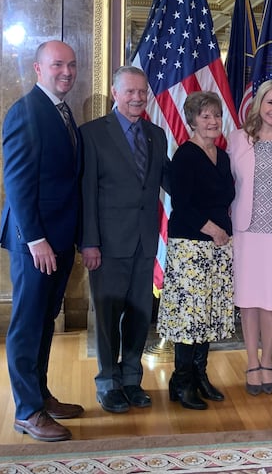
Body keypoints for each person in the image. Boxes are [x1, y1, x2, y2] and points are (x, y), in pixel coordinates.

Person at [0, 40, 84, 442]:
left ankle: (41, 395)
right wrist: (36, 239)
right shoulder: (26, 111)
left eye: (71, 65)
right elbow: (17, 184)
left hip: (59, 239)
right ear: (38, 68)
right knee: (27, 324)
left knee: (45, 320)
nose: (66, 72)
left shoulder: (63, 111)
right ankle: (27, 411)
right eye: (57, 65)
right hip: (35, 242)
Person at [79, 66, 169, 414]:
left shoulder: (156, 134)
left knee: (139, 316)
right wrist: (89, 243)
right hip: (106, 245)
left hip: (145, 243)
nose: (137, 98)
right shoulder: (92, 134)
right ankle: (108, 383)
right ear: (115, 93)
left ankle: (131, 379)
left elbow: (170, 181)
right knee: (106, 319)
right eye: (130, 91)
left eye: (142, 92)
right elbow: (86, 193)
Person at [157, 91, 236, 410]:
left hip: (219, 247)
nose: (213, 121)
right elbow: (183, 204)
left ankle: (200, 375)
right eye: (205, 116)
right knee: (189, 316)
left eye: (217, 115)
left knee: (208, 313)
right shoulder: (185, 156)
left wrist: (222, 233)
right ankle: (182, 381)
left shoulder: (223, 156)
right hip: (190, 245)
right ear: (192, 120)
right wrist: (214, 230)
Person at [227, 80, 272, 396]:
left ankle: (267, 361)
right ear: (259, 104)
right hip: (245, 231)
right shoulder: (237, 139)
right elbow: (224, 182)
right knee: (248, 299)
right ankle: (251, 362)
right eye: (270, 103)